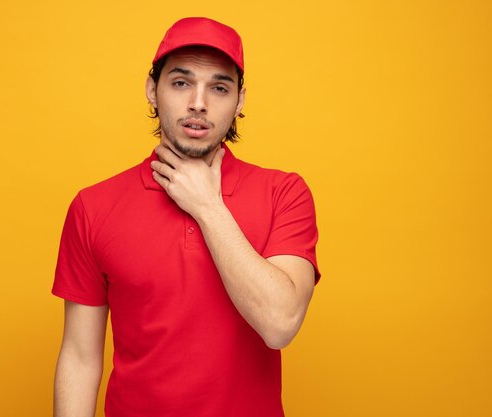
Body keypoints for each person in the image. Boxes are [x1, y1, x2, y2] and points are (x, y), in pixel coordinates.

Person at [52, 17, 321, 417]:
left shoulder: (284, 193)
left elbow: (279, 323)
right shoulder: (93, 206)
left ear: (240, 100)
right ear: (152, 90)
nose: (199, 102)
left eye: (219, 87)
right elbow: (79, 357)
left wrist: (207, 206)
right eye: (181, 83)